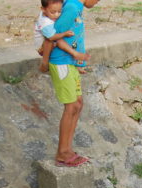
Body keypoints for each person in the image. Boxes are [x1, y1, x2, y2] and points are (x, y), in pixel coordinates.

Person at [47, 0, 100, 167]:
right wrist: (75, 54)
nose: (97, 2)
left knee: (78, 104)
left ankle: (67, 149)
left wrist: (79, 63)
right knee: (71, 106)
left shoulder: (75, 7)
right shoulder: (71, 7)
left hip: (70, 63)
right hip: (62, 62)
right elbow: (53, 37)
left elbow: (74, 35)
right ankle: (62, 152)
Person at [33, 0, 89, 73]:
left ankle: (76, 64)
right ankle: (45, 64)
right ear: (43, 9)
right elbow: (51, 37)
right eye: (53, 12)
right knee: (59, 40)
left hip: (49, 37)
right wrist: (64, 34)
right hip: (42, 46)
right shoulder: (45, 23)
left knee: (71, 39)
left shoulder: (49, 11)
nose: (56, 15)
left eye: (59, 11)